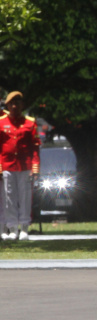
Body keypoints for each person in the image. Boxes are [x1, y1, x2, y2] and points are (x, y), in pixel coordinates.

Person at [0, 91, 40, 241]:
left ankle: (24, 228)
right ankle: (12, 229)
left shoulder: (30, 122)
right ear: (8, 105)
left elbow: (35, 148)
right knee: (8, 198)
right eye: (12, 104)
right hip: (7, 166)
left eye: (18, 103)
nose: (15, 106)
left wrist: (35, 169)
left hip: (25, 166)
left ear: (22, 105)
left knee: (25, 198)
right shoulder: (1, 122)